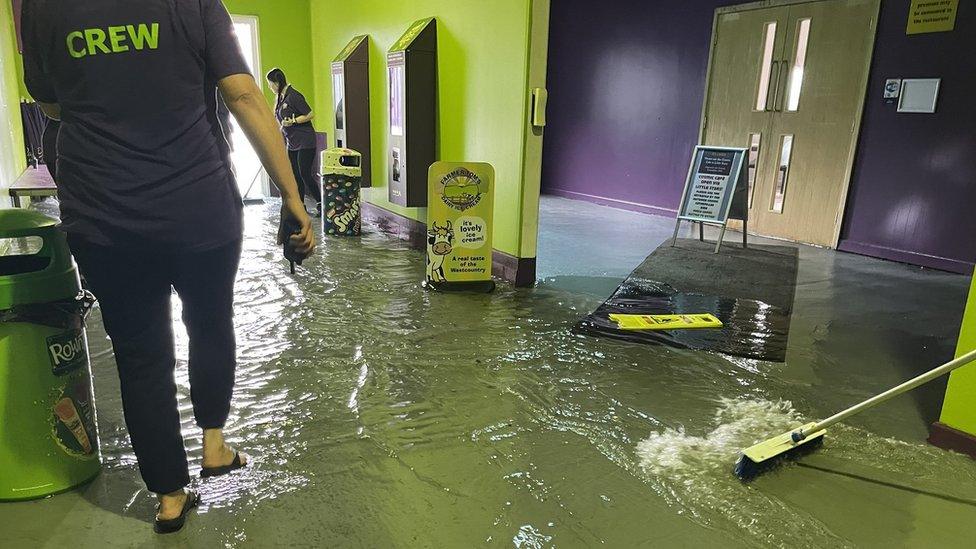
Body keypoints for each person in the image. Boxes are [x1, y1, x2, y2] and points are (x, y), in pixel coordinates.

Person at [21, 0, 315, 534]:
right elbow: (244, 93)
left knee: (139, 356)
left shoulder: (42, 7)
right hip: (197, 204)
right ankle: (215, 444)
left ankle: (169, 495)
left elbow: (50, 103)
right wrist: (291, 195)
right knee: (208, 323)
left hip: (103, 213)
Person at [266, 68, 322, 214]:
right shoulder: (280, 98)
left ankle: (321, 203)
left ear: (277, 83)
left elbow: (310, 114)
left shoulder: (294, 96)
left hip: (305, 141)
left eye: (270, 83)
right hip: (292, 142)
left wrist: (294, 121)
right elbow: (277, 117)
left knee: (304, 173)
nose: (269, 87)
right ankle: (300, 205)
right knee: (294, 174)